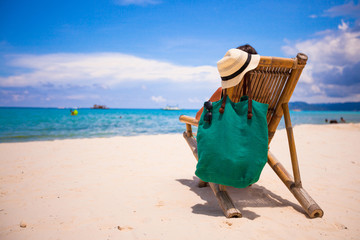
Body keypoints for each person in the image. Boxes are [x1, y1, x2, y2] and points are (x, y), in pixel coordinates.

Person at [195, 44, 259, 120]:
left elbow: (198, 117)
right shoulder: (266, 92)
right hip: (258, 131)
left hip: (229, 131)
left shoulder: (223, 92)